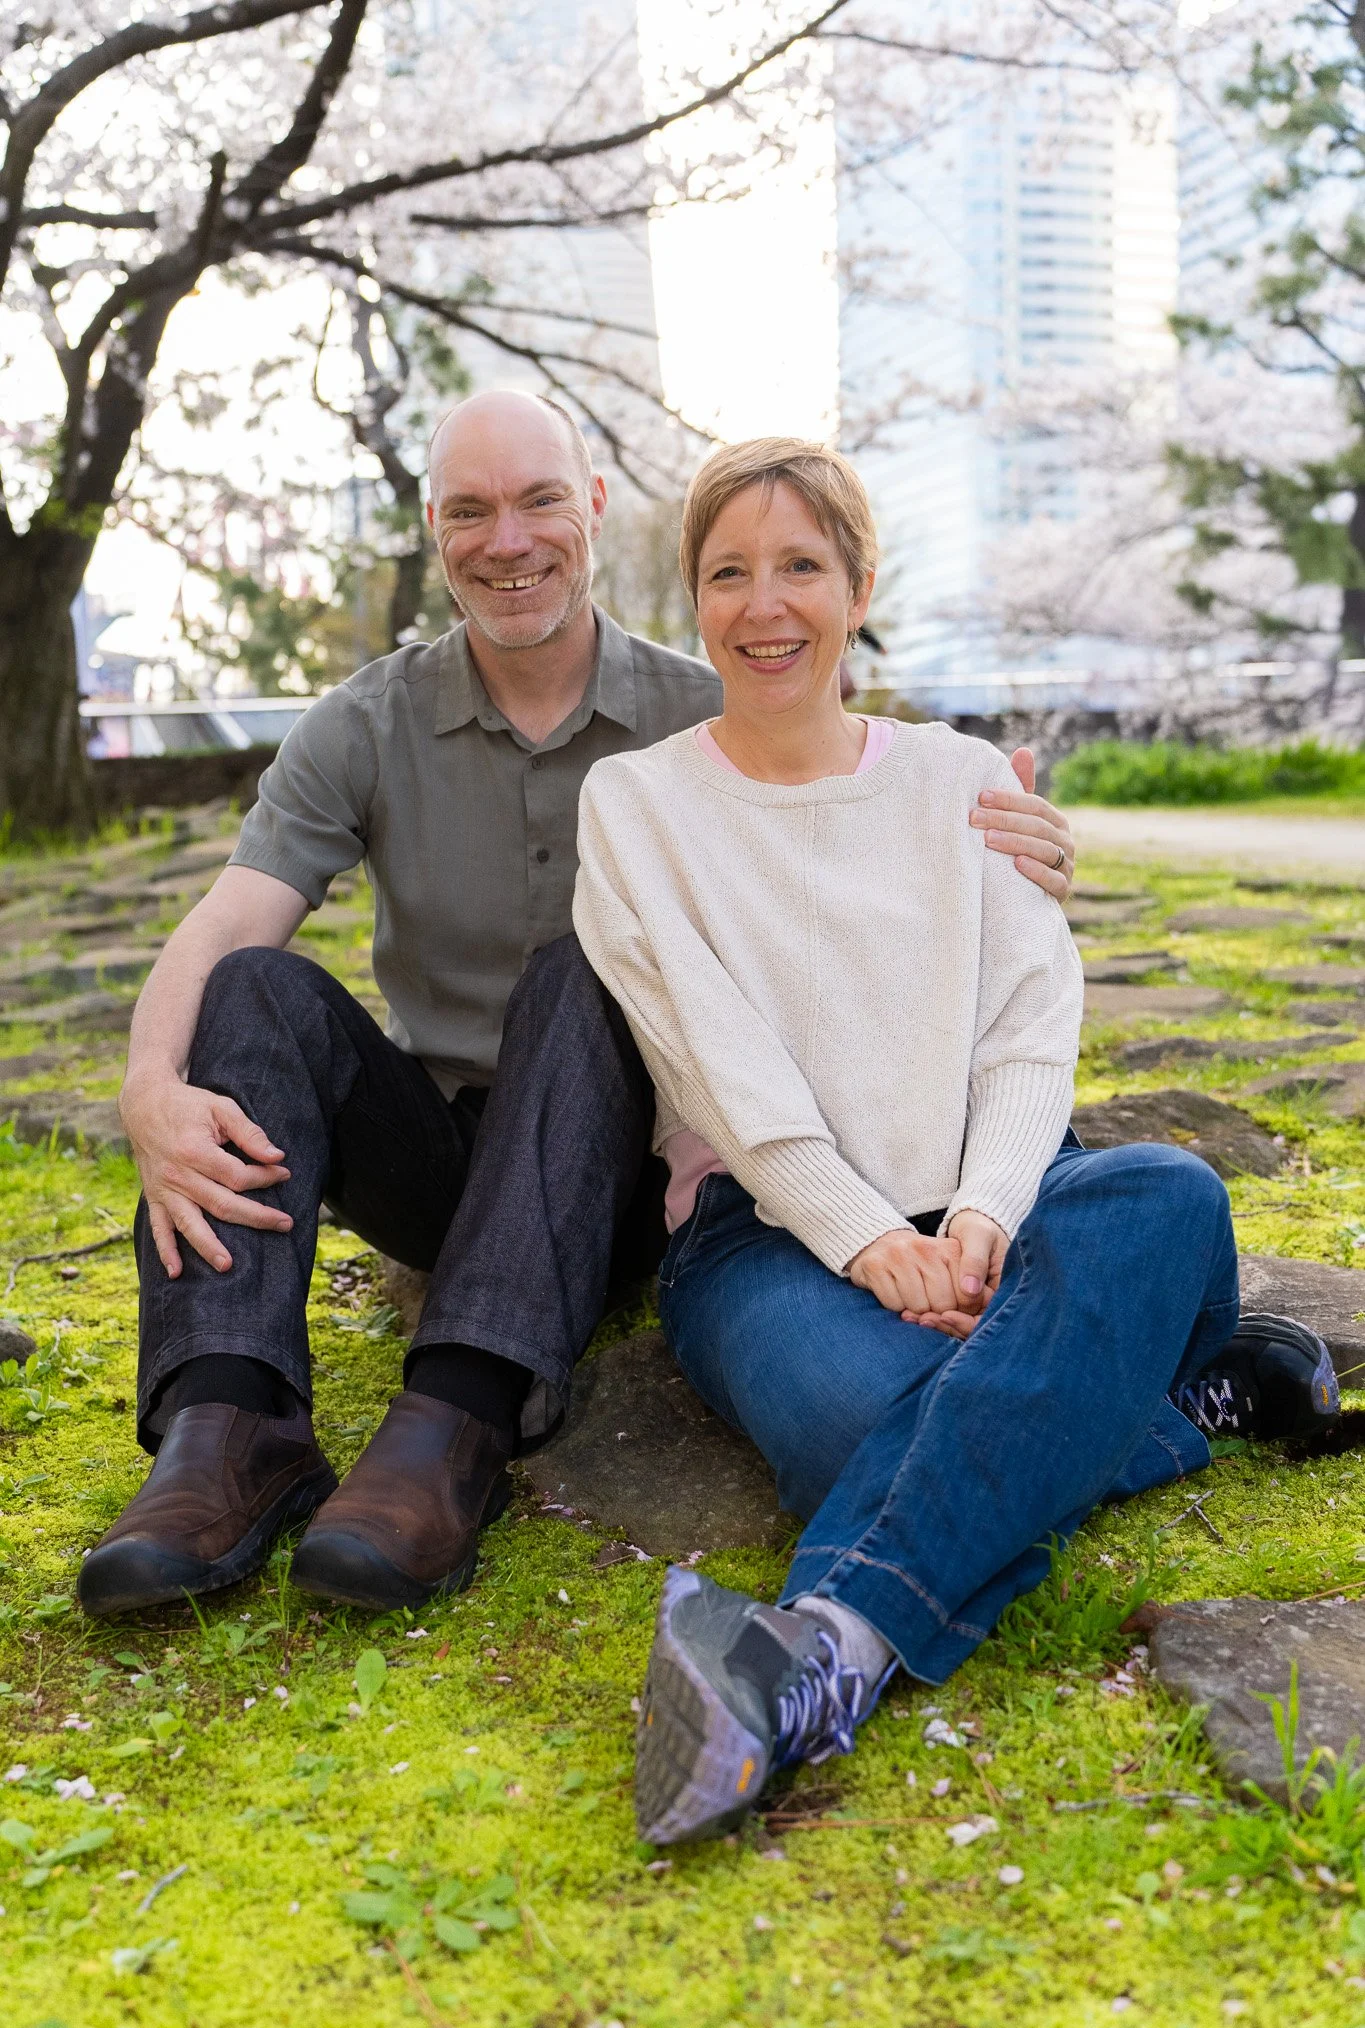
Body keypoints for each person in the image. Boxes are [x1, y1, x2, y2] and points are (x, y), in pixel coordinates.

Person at [76, 391, 1081, 1622]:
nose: (510, 539)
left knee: (583, 965)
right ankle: (230, 1418)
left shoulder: (707, 701)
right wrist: (147, 1087)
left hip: (626, 1177)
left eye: (541, 498)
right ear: (434, 527)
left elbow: (857, 801)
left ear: (594, 507)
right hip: (447, 1159)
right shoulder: (367, 719)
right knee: (252, 991)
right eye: (472, 510)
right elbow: (233, 914)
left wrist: (998, 834)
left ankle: (461, 1408)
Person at [571, 436, 1340, 1847]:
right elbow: (715, 1061)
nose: (765, 605)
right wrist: (869, 1238)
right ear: (693, 600)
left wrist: (982, 1212)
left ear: (860, 584)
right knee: (855, 1417)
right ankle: (1165, 1408)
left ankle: (823, 1650)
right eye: (728, 572)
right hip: (769, 1231)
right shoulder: (638, 806)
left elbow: (1029, 1023)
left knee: (1162, 1194)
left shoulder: (957, 778)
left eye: (801, 565)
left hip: (1001, 1196)